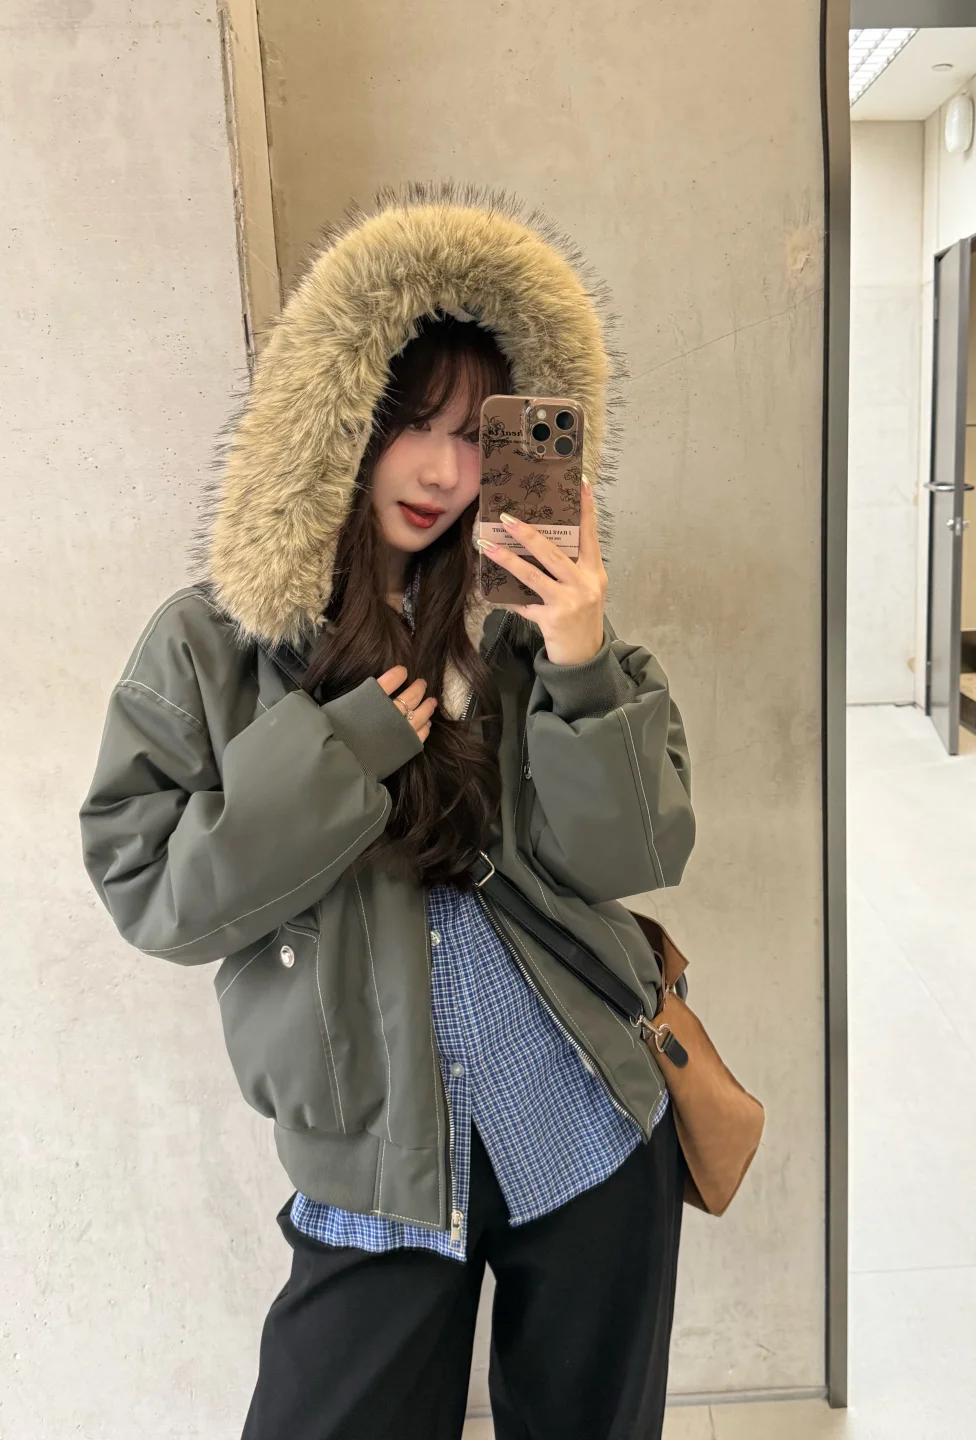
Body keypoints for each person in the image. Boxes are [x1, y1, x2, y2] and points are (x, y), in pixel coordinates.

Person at [80, 186, 696, 1440]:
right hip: (379, 1166)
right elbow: (154, 896)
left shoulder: (528, 627)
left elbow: (632, 853)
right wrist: (343, 752)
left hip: (587, 1122)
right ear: (332, 420)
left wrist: (582, 658)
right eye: (408, 421)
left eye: (477, 435)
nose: (443, 471)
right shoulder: (213, 645)